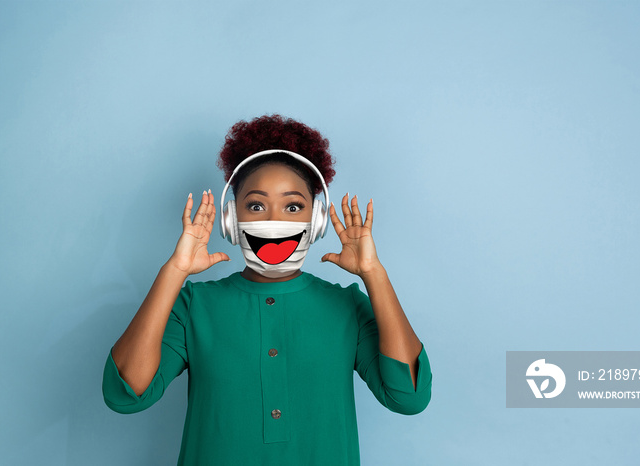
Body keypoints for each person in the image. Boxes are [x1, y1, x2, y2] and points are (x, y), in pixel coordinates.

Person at [102, 114, 432, 465]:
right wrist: (174, 272)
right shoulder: (193, 305)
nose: (274, 221)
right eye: (256, 205)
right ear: (232, 219)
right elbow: (125, 396)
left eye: (293, 207)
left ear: (316, 221)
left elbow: (408, 398)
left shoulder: (348, 305)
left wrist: (373, 274)